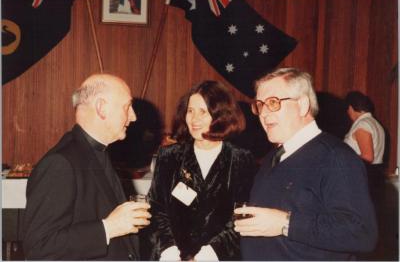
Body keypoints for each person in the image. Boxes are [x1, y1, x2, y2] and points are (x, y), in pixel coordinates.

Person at [234, 68, 378, 260]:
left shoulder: (336, 157)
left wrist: (285, 223)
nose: (263, 113)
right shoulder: (272, 158)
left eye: (273, 103)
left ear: (302, 105)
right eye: (260, 105)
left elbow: (362, 233)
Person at [23, 74, 151, 260]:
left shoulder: (99, 152)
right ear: (101, 108)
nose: (133, 116)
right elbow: (39, 247)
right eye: (127, 107)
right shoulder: (60, 163)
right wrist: (109, 227)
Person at [147, 80, 257, 261]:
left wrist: (207, 255)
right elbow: (156, 209)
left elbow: (241, 217)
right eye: (190, 111)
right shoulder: (169, 156)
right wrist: (170, 252)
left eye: (203, 112)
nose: (194, 119)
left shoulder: (242, 160)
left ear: (220, 115)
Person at [344, 91, 385, 186]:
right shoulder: (375, 123)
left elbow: (367, 157)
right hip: (374, 174)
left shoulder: (362, 124)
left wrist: (343, 157)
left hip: (362, 176)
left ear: (350, 108)